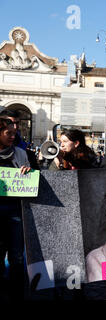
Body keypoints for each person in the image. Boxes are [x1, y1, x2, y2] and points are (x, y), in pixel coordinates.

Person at [0, 118, 31, 299]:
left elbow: (30, 182)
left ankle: (17, 293)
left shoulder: (20, 153)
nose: (13, 136)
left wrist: (27, 171)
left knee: (17, 256)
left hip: (15, 212)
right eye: (8, 133)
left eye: (14, 133)